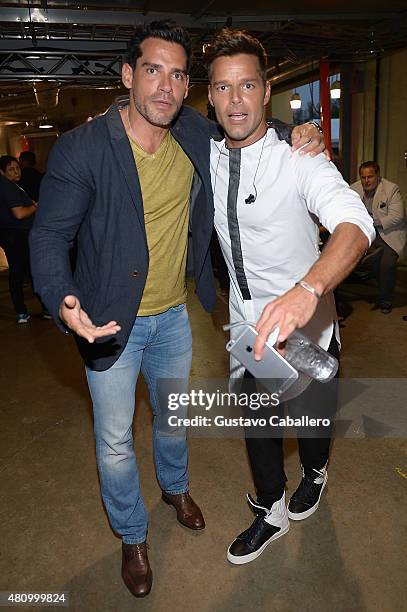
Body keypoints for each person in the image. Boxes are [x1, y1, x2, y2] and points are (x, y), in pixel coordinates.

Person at [29, 21, 324, 598]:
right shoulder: (83, 148)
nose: (166, 86)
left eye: (178, 74)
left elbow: (248, 125)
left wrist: (298, 132)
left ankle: (174, 486)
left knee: (173, 417)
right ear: (127, 76)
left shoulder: (191, 130)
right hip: (109, 322)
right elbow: (46, 238)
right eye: (152, 70)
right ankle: (133, 535)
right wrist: (64, 300)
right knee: (115, 439)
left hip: (173, 316)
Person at [203, 30, 375, 565]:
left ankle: (316, 471)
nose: (236, 100)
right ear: (208, 96)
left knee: (311, 421)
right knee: (258, 423)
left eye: (247, 85)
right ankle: (270, 508)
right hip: (246, 326)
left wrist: (308, 289)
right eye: (224, 88)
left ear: (266, 89)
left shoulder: (299, 157)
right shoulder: (200, 150)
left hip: (309, 328)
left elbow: (356, 222)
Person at [350, 161, 407, 313]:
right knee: (344, 254)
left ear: (378, 176)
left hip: (388, 234)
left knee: (386, 265)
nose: (366, 181)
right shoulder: (353, 189)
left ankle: (385, 301)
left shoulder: (391, 189)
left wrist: (371, 221)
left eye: (370, 177)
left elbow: (398, 216)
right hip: (365, 233)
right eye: (363, 177)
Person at [0, 155, 38, 322]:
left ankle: (23, 311)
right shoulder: (7, 187)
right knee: (21, 272)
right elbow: (19, 213)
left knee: (21, 272)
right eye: (11, 169)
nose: (16, 171)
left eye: (17, 168)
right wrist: (35, 206)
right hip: (16, 236)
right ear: (2, 172)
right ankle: (23, 311)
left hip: (13, 235)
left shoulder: (10, 186)